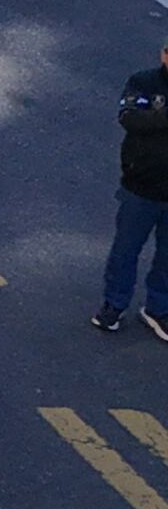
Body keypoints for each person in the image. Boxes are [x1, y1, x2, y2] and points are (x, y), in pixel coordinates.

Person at [102, 32, 168, 341]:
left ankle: (158, 308)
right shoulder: (144, 82)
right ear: (164, 55)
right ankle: (114, 304)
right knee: (126, 250)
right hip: (141, 187)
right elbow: (130, 118)